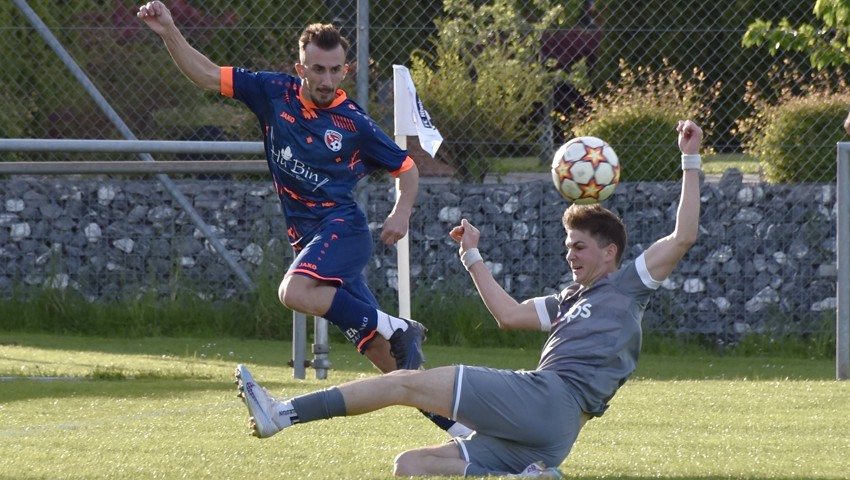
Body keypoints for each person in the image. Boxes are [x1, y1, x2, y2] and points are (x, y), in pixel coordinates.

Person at [232, 120, 705, 477]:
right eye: (567, 249)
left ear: (611, 251)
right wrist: (472, 256)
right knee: (410, 465)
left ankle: (282, 414)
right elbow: (508, 314)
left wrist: (690, 159)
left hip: (548, 401)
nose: (571, 257)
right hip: (550, 438)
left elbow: (683, 236)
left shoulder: (629, 285)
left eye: (579, 248)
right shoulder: (567, 299)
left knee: (403, 382)